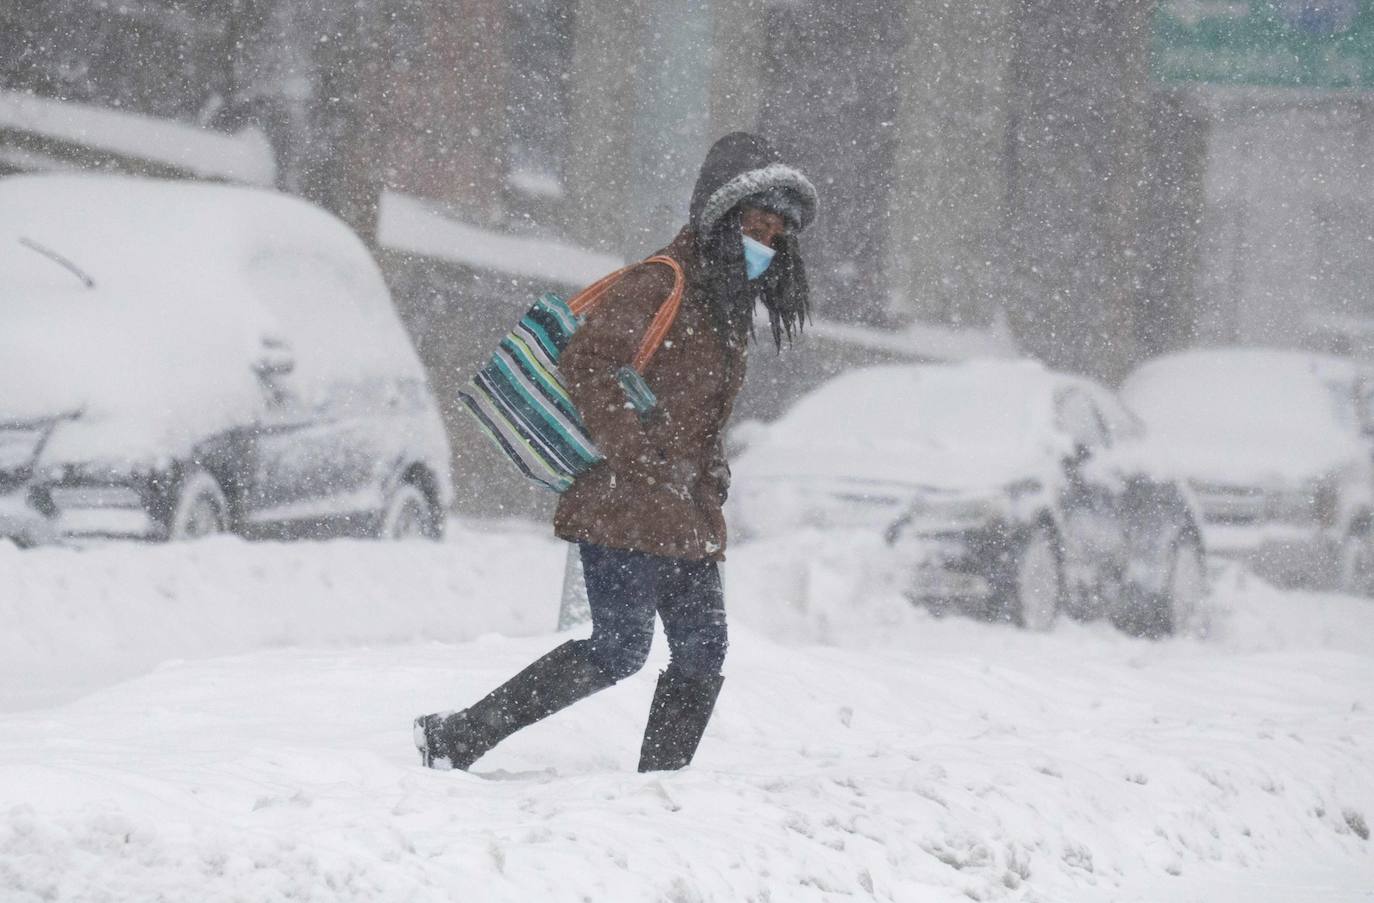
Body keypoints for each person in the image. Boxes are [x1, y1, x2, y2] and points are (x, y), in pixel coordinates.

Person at [414, 132, 818, 773]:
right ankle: (459, 737)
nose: (765, 244)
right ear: (719, 215)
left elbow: (695, 413)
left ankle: (659, 787)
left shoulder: (725, 308)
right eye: (756, 224)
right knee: (619, 648)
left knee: (703, 650)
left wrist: (707, 470)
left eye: (777, 234)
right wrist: (640, 457)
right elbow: (591, 361)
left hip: (683, 507)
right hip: (624, 502)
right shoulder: (664, 282)